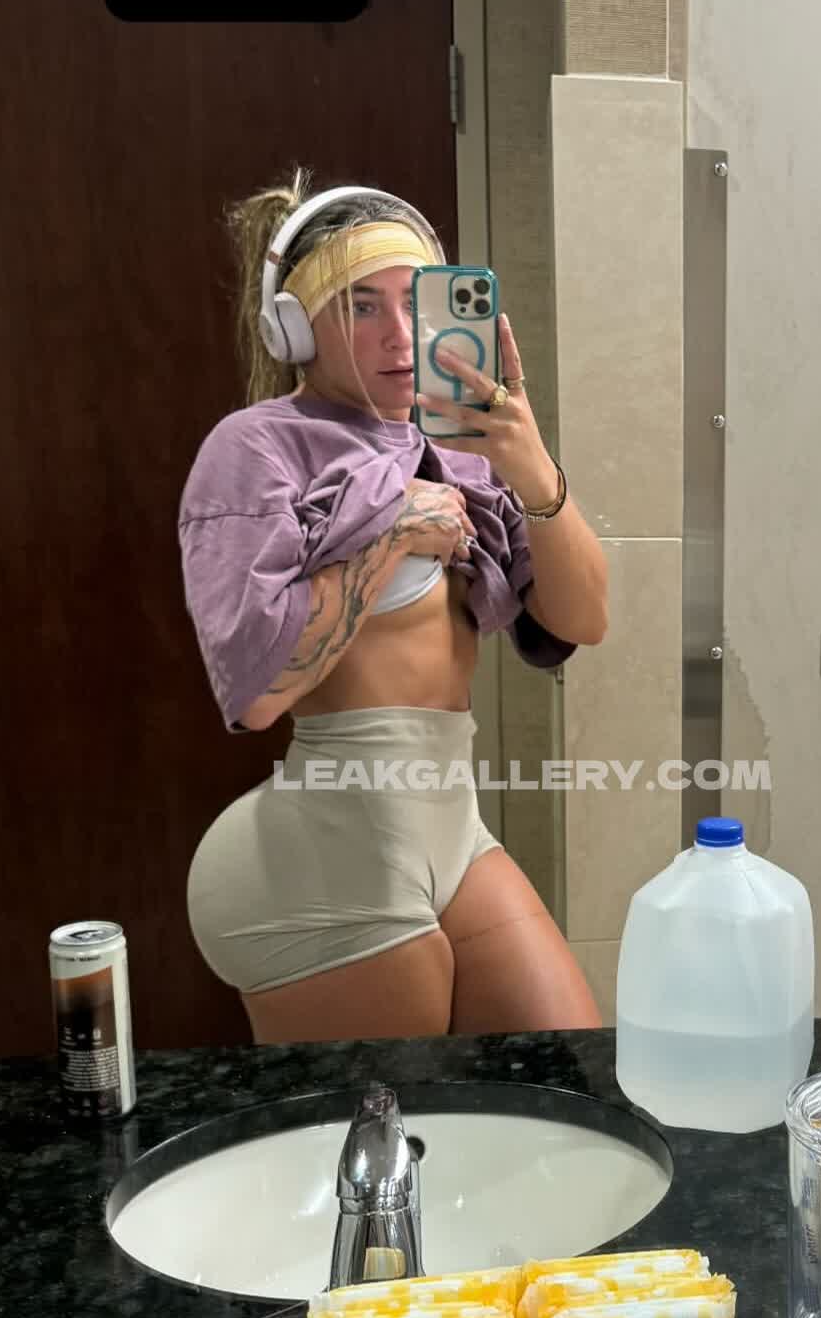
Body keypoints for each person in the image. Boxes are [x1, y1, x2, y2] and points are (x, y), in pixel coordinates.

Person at [178, 170, 609, 1044]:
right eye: (361, 305)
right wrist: (390, 536)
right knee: (388, 1117)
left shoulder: (463, 450)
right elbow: (256, 693)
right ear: (297, 327)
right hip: (329, 845)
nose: (399, 333)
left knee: (567, 1073)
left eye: (415, 301)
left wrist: (532, 468)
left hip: (450, 829)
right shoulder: (257, 448)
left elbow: (582, 620)